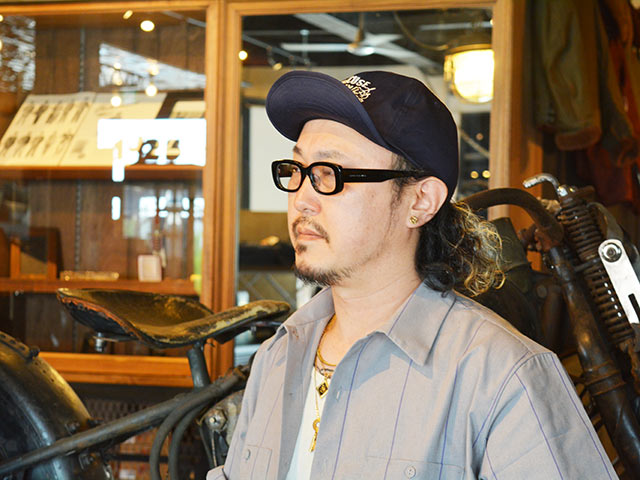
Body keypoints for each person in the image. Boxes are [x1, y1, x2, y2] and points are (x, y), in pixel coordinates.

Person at [207, 70, 617, 479]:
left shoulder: (502, 377)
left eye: (330, 172)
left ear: (420, 201)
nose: (301, 199)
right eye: (297, 169)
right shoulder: (277, 357)